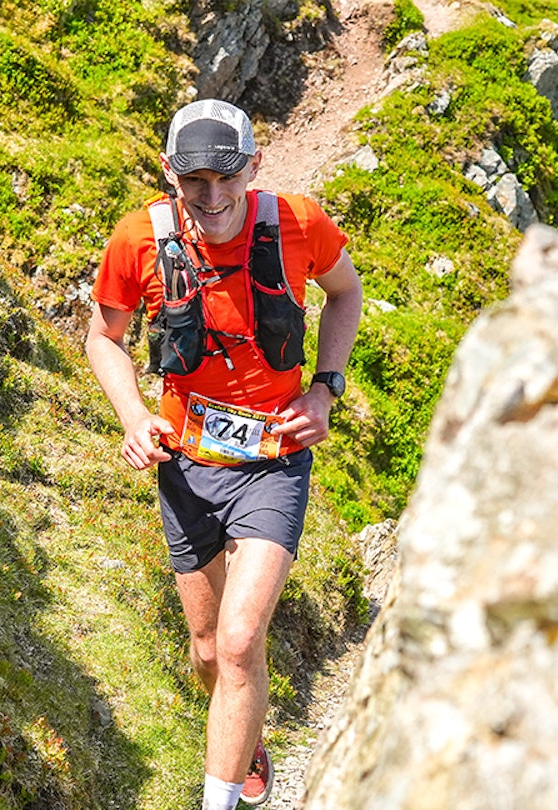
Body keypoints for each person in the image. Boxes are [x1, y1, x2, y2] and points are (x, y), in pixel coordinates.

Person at [85, 98, 363, 810]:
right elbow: (102, 337)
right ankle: (245, 741)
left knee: (240, 642)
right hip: (186, 464)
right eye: (194, 183)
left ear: (254, 167)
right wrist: (134, 416)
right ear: (169, 172)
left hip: (273, 460)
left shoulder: (297, 222)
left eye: (226, 180)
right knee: (208, 651)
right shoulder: (137, 238)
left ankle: (220, 800)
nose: (212, 198)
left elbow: (345, 293)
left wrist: (325, 389)